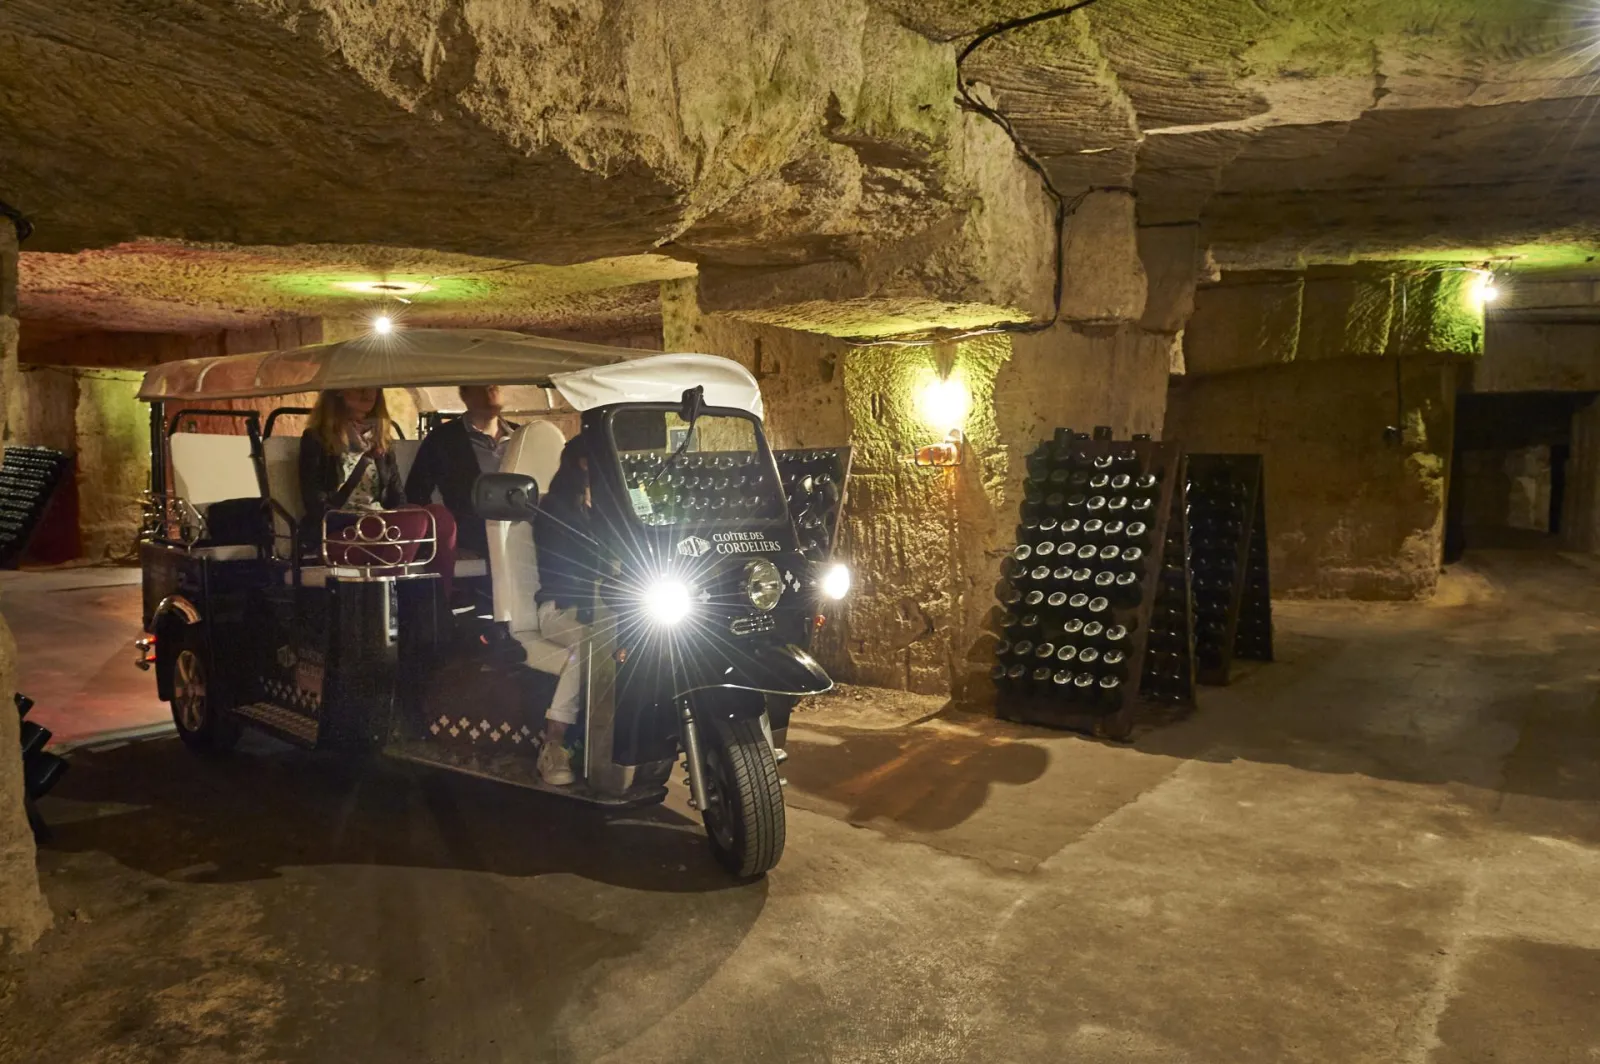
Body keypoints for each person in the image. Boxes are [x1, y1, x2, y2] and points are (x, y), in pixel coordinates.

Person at [298, 388, 459, 598]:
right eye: (360, 385)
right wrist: (364, 464)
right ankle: (388, 600)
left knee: (439, 516)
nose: (368, 392)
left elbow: (398, 500)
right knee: (413, 518)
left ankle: (442, 604)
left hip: (383, 530)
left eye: (374, 386)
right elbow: (316, 505)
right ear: (338, 391)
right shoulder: (317, 439)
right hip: (341, 532)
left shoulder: (381, 441)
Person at [531, 435, 604, 787]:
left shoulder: (595, 510)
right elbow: (570, 566)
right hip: (560, 609)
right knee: (593, 644)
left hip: (602, 609)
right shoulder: (554, 509)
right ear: (583, 463)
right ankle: (554, 743)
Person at [404, 385, 519, 557]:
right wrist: (446, 543)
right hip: (469, 543)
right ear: (465, 394)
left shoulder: (522, 435)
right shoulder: (443, 439)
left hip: (519, 539)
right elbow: (416, 494)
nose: (491, 391)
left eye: (495, 385)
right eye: (483, 386)